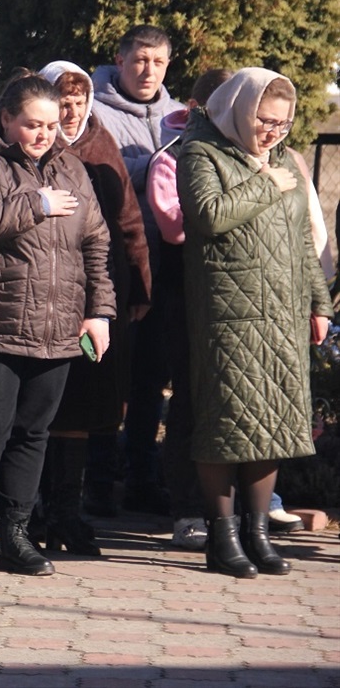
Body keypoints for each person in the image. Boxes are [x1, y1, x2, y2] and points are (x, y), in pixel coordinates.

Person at [0, 74, 115, 579]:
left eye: (51, 124)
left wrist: (98, 312)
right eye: (31, 125)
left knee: (33, 432)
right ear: (7, 119)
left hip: (57, 326)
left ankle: (15, 535)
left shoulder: (72, 169)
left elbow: (96, 244)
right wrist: (36, 204)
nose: (43, 134)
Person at [175, 68, 330, 578]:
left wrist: (319, 303)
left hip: (284, 310)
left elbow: (304, 243)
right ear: (241, 110)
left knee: (273, 422)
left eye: (283, 125)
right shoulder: (200, 151)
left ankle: (258, 533)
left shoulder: (284, 159)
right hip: (227, 310)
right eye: (265, 121)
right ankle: (222, 537)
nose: (273, 133)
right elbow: (208, 214)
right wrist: (265, 183)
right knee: (226, 421)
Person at [36, 61, 151, 556]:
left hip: (97, 295)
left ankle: (68, 511)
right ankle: (33, 510)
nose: (70, 112)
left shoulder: (101, 146)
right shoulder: (29, 146)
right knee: (42, 407)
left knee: (82, 409)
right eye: (62, 102)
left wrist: (141, 286)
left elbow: (128, 220)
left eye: (79, 102)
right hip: (43, 295)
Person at [88, 25, 186, 517]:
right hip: (112, 263)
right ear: (121, 60)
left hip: (164, 265)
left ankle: (144, 476)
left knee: (151, 377)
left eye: (159, 63)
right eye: (140, 60)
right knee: (107, 374)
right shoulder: (94, 111)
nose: (149, 71)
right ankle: (98, 481)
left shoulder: (178, 115)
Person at [148, 68, 233, 551]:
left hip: (235, 298)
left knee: (233, 401)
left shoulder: (250, 158)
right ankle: (186, 509)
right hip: (184, 295)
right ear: (198, 108)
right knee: (188, 401)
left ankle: (238, 503)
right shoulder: (172, 158)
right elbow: (176, 228)